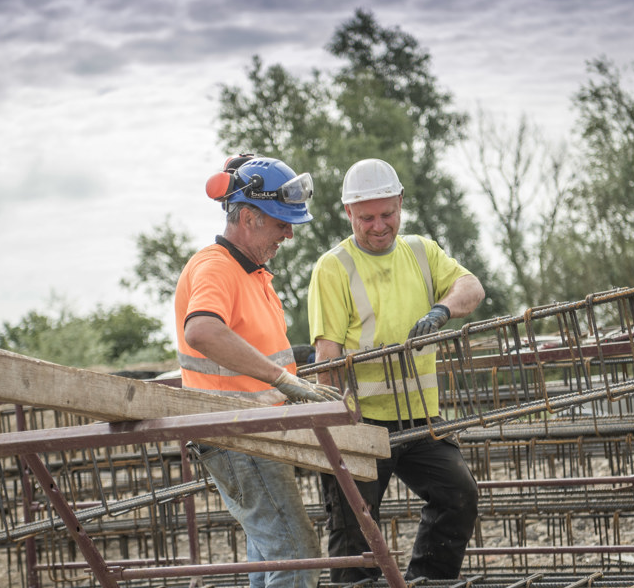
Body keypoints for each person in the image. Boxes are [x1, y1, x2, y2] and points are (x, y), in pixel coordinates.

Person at [307, 158, 485, 582]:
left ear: (401, 203)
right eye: (366, 217)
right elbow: (327, 357)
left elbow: (472, 288)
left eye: (387, 214)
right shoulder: (334, 267)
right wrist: (337, 431)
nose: (378, 225)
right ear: (348, 213)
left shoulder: (422, 251)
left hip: (420, 418)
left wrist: (442, 310)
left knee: (459, 496)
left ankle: (428, 580)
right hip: (362, 422)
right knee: (354, 527)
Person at [175, 154, 339, 588]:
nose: (289, 232)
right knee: (295, 552)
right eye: (281, 222)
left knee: (269, 553)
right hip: (236, 435)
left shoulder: (253, 273)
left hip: (252, 433)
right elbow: (203, 331)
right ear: (247, 217)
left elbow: (247, 345)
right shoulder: (217, 266)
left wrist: (290, 365)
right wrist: (285, 380)